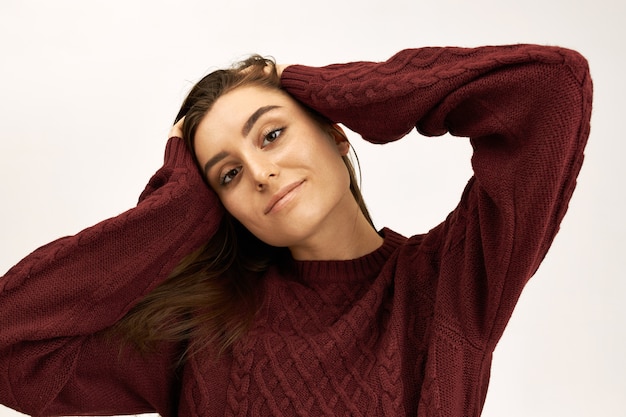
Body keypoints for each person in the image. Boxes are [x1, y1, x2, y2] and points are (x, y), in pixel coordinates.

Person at [0, 44, 592, 416]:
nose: (259, 172)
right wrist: (179, 207)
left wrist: (325, 86)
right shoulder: (200, 331)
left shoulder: (449, 286)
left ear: (337, 136)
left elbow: (551, 88)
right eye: (227, 174)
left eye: (272, 134)